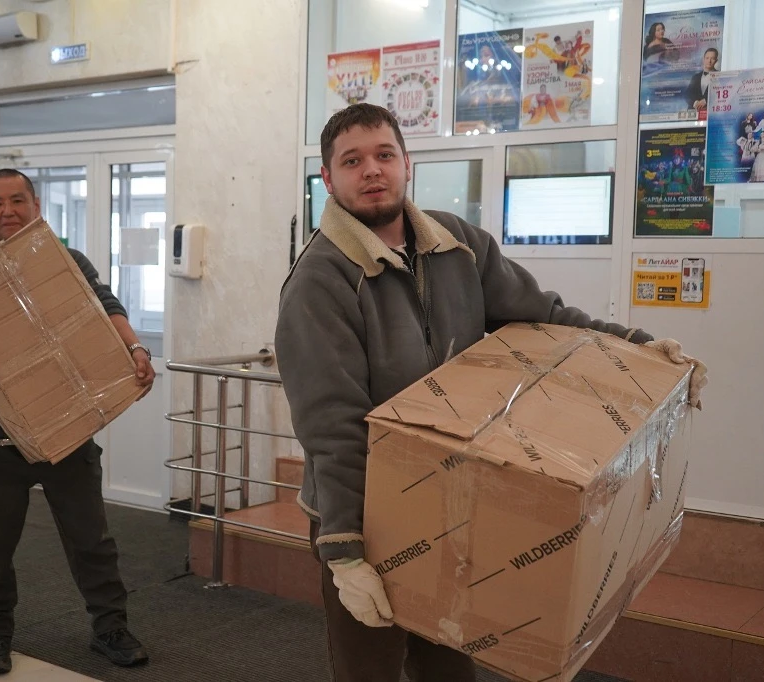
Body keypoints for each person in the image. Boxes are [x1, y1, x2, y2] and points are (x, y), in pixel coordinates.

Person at [274, 103, 708, 682]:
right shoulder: (319, 282)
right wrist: (345, 551)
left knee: (449, 663)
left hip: (447, 494)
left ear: (407, 164)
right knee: (368, 669)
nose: (372, 170)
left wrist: (637, 348)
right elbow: (332, 425)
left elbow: (544, 317)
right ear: (328, 180)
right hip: (360, 509)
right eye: (352, 161)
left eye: (384, 155)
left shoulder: (457, 243)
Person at [0, 169, 156, 676]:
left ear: (36, 205)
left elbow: (106, 308)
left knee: (91, 541)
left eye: (17, 200)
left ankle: (110, 628)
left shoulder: (68, 263)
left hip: (67, 432)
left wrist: (135, 349)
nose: (7, 210)